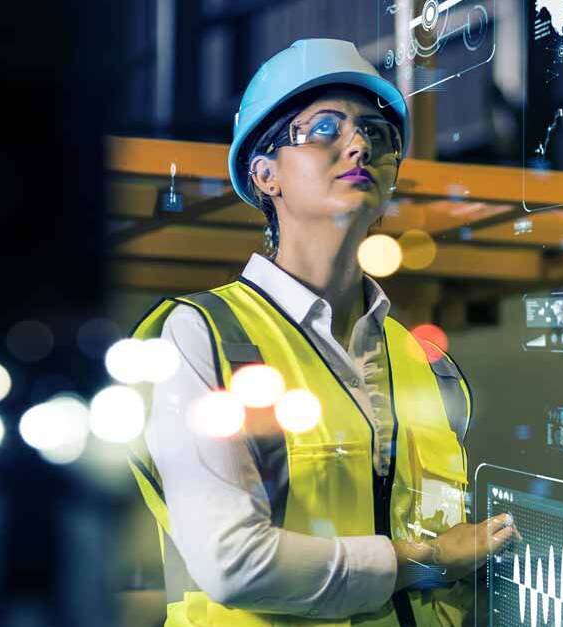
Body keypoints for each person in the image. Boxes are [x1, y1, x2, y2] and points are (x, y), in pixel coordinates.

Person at [127, 38, 519, 626]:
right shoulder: (202, 336)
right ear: (265, 174)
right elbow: (232, 562)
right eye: (324, 129)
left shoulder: (423, 363)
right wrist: (427, 559)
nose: (358, 144)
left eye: (377, 134)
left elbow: (450, 546)